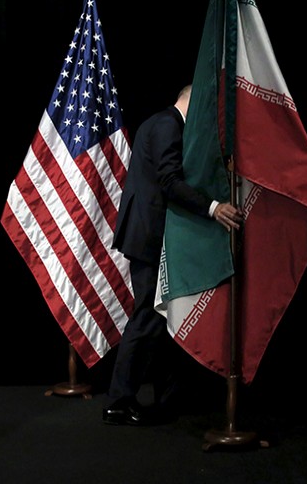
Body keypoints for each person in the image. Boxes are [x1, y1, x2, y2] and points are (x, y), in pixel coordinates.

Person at [103, 84, 243, 426]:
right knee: (148, 318)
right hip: (149, 236)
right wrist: (213, 208)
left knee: (159, 320)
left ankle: (165, 397)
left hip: (151, 234)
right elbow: (169, 181)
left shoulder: (160, 123)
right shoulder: (168, 125)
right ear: (190, 102)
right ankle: (118, 401)